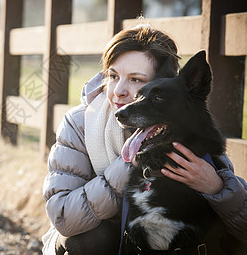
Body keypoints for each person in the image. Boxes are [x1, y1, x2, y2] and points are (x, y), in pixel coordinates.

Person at [41, 24, 247, 254]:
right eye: (113, 75)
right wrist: (128, 167)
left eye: (136, 79)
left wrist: (217, 188)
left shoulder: (189, 130)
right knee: (90, 241)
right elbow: (63, 217)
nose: (118, 90)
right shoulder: (80, 123)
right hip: (100, 240)